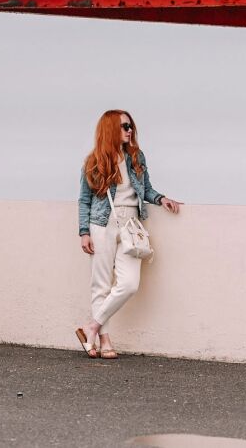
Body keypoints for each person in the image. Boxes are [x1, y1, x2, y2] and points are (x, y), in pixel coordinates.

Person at [74, 110, 181, 359]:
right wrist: (83, 232)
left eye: (130, 125)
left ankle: (91, 327)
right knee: (100, 285)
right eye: (124, 126)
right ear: (111, 128)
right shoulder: (94, 161)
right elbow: (84, 199)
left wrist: (161, 198)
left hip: (131, 226)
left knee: (129, 283)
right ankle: (104, 339)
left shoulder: (136, 157)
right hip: (102, 224)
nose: (129, 130)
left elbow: (146, 190)